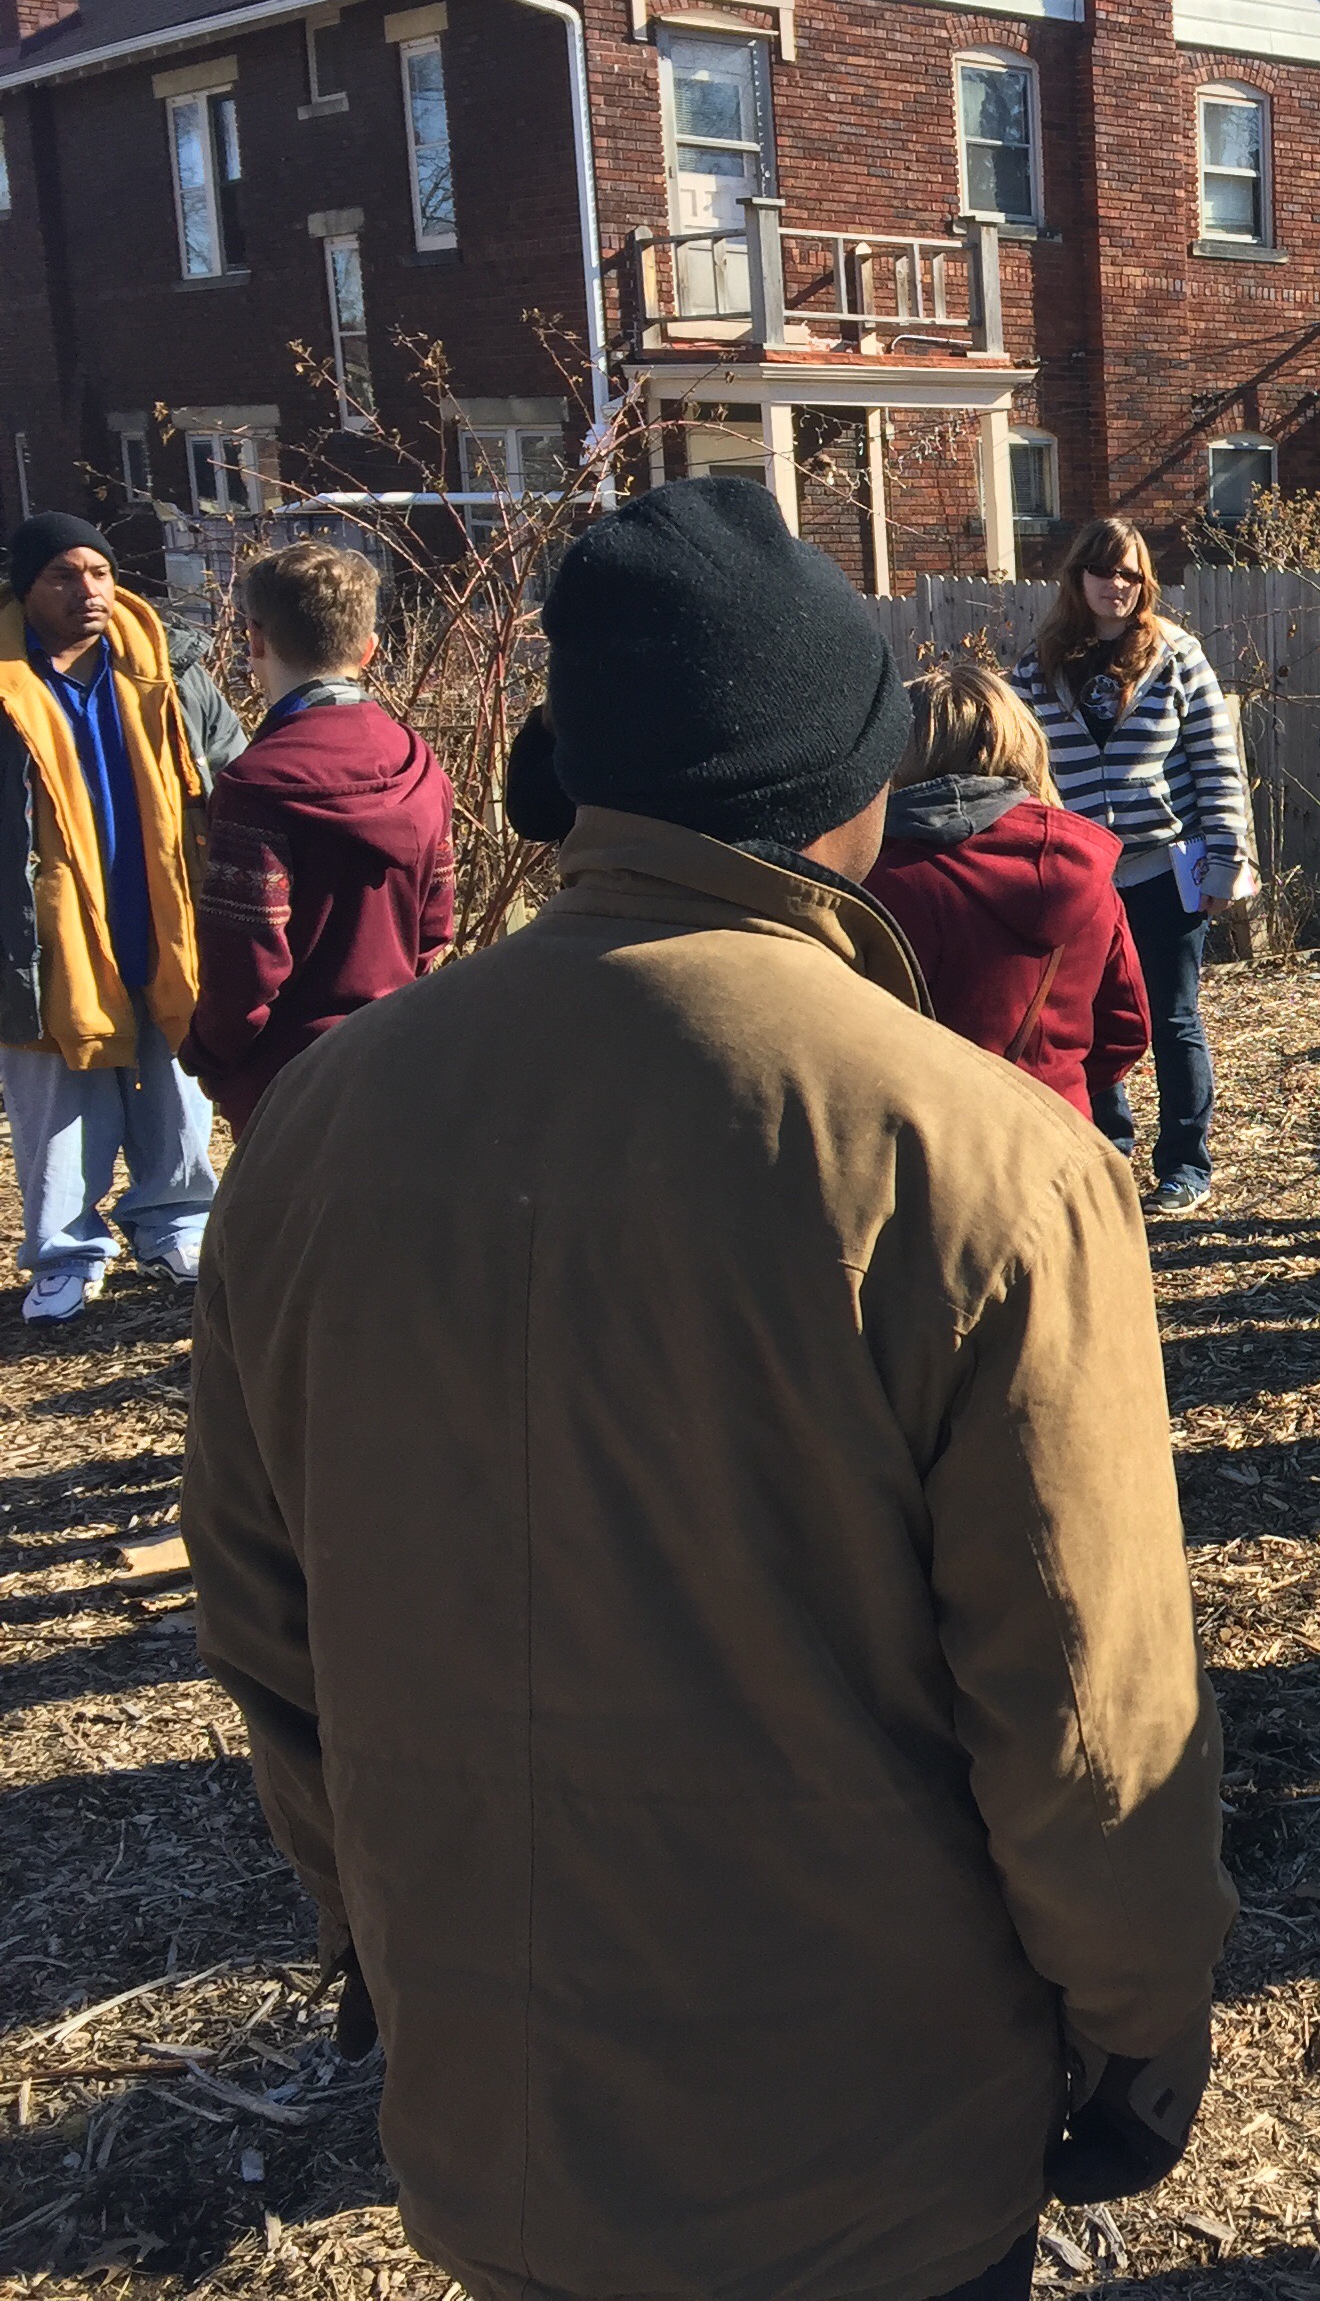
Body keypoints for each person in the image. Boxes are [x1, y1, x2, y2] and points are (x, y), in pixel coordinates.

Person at [181, 477, 1236, 2301]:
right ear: (851, 789)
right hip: (873, 2144)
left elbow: (267, 1623)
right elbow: (1082, 1708)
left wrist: (387, 1927)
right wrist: (1142, 2025)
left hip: (503, 2118)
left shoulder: (320, 1123)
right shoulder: (980, 1158)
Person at [0, 512, 246, 1323]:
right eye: (66, 577)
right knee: (56, 1095)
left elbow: (234, 769)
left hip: (166, 912)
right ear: (26, 587)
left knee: (176, 1084)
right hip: (46, 934)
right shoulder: (7, 684)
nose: (90, 591)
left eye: (100, 573)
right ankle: (64, 1250)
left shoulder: (168, 667)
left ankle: (175, 1219)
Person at [1012, 518, 1253, 1214]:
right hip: (1079, 875)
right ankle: (1106, 1150)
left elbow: (1217, 762)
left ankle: (1186, 1163)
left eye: (1129, 575)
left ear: (1144, 583)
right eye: (1102, 572)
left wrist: (1226, 860)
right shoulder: (1038, 667)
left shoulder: (1178, 656)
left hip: (1163, 868)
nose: (1115, 586)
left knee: (1173, 1019)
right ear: (1077, 578)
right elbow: (1020, 769)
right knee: (1082, 1015)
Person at [178, 543, 453, 1132]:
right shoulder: (419, 764)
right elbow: (436, 927)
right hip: (394, 1057)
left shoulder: (257, 782)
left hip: (284, 1081)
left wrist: (207, 1051)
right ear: (369, 648)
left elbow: (247, 961)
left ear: (254, 639)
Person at [868, 655, 1149, 1119]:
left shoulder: (883, 882)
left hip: (936, 1148)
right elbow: (1128, 1027)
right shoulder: (1085, 865)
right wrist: (1057, 1083)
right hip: (1060, 1137)